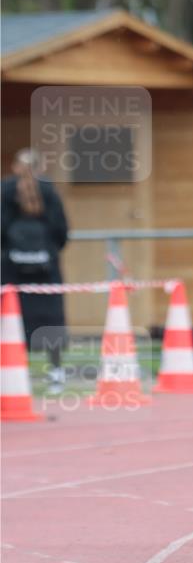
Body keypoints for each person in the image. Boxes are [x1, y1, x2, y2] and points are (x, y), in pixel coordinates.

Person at [1, 148, 69, 392]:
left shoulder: (4, 190)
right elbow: (62, 232)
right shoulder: (50, 191)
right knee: (50, 319)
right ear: (40, 168)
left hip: (10, 270)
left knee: (9, 320)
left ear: (15, 167)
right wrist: (45, 251)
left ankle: (11, 374)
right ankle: (56, 373)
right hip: (46, 270)